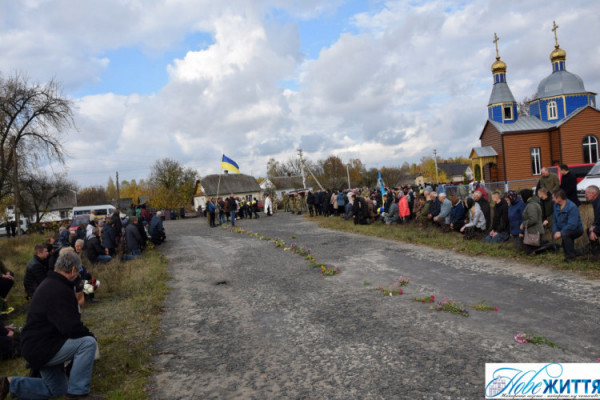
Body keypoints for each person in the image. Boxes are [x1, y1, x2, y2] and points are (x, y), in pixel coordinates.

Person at [1, 251, 102, 400]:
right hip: (42, 347)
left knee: (57, 390)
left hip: (38, 345)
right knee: (87, 343)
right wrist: (90, 335)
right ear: (73, 270)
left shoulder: (51, 284)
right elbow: (71, 327)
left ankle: (8, 384)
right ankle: (78, 394)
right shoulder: (58, 289)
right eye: (78, 271)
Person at [552, 189, 584, 262]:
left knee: (566, 235)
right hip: (564, 229)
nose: (552, 199)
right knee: (565, 245)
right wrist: (556, 231)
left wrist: (561, 232)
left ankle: (570, 258)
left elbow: (573, 224)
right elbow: (555, 221)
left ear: (559, 198)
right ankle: (578, 252)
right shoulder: (556, 206)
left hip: (576, 229)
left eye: (553, 197)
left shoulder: (572, 207)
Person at [519, 189, 544, 254]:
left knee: (531, 252)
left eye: (521, 197)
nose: (521, 199)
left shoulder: (531, 205)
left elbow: (533, 219)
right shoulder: (531, 204)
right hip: (533, 232)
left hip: (534, 233)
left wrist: (523, 224)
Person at [584, 185, 600, 254]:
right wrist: (593, 226)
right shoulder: (596, 202)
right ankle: (596, 252)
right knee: (589, 230)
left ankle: (596, 252)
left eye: (586, 194)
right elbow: (597, 219)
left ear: (593, 194)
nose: (585, 196)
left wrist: (594, 230)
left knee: (591, 231)